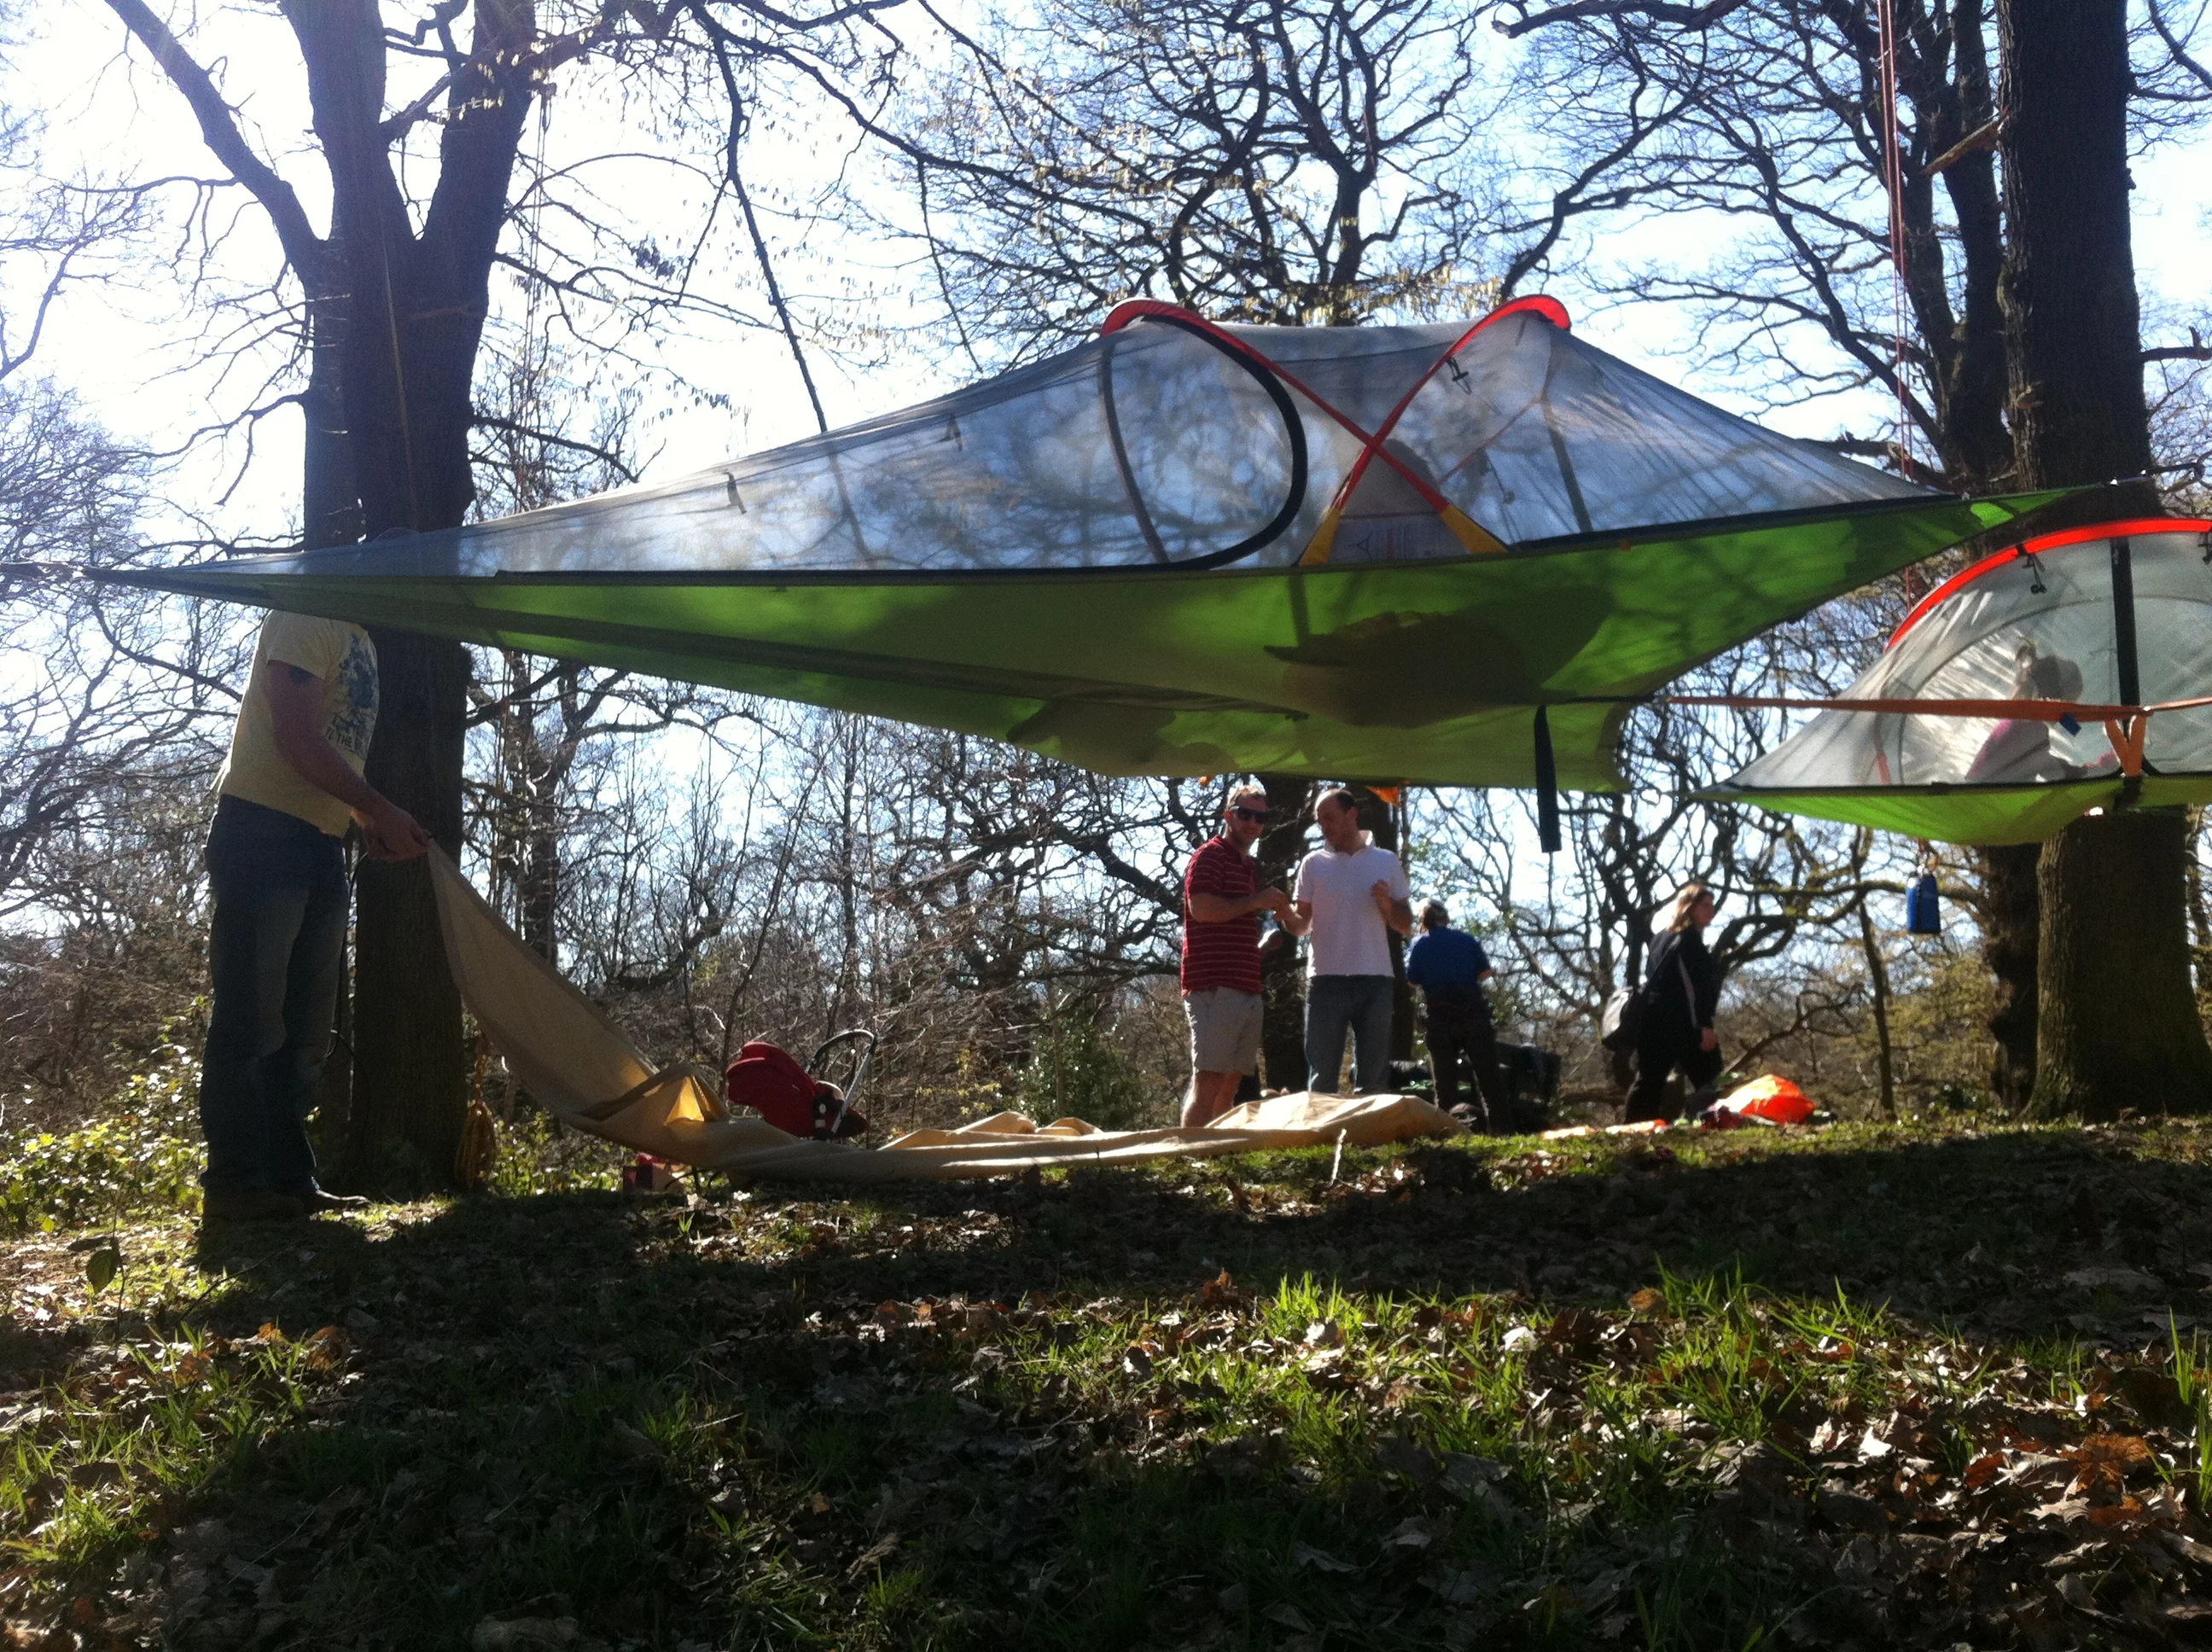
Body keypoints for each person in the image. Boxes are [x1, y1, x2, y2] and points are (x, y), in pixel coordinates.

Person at [199, 610, 431, 1220]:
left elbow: (337, 756)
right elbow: (296, 739)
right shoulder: (305, 614)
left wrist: (360, 817)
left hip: (322, 842)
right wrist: (379, 808)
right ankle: (234, 1184)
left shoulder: (365, 640)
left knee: (304, 1031)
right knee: (251, 1018)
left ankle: (289, 1180)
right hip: (261, 831)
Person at [1179, 784, 1295, 1126]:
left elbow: (1230, 920)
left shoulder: (1249, 866)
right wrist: (1255, 902)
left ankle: (1212, 1158)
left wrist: (1260, 948)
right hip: (1213, 985)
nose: (1253, 823)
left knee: (1231, 1083)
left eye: (1260, 817)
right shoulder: (1209, 856)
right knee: (1209, 1078)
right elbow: (1200, 908)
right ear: (1228, 814)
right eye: (1245, 814)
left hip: (1246, 986)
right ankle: (1187, 1159)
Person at [1292, 788, 1412, 1093]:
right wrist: (1284, 912)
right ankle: (1319, 1136)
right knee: (1321, 1078)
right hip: (1325, 980)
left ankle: (1369, 1139)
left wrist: (1387, 905)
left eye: (1329, 818)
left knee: (1373, 1077)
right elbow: (1299, 926)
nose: (1324, 826)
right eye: (1320, 821)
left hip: (1376, 980)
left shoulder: (1386, 861)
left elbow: (1406, 924)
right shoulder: (1312, 864)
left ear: (1352, 815)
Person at [1404, 899, 1509, 1130]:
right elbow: (1484, 973)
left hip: (1440, 1014)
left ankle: (1448, 1132)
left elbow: (1411, 980)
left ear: (1423, 920)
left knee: (1445, 1081)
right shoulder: (1467, 940)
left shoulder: (1419, 944)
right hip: (1472, 1011)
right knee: (1488, 1075)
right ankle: (1500, 1130)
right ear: (1446, 918)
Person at [1624, 881, 1723, 1124]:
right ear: (1689, 907)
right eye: (1705, 905)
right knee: (1711, 1076)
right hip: (1681, 1022)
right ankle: (1713, 1123)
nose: (1711, 910)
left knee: (1648, 1079)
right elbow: (1695, 989)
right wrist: (1705, 1025)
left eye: (1712, 905)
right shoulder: (1689, 941)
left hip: (1653, 1020)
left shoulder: (1660, 939)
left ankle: (1634, 1129)